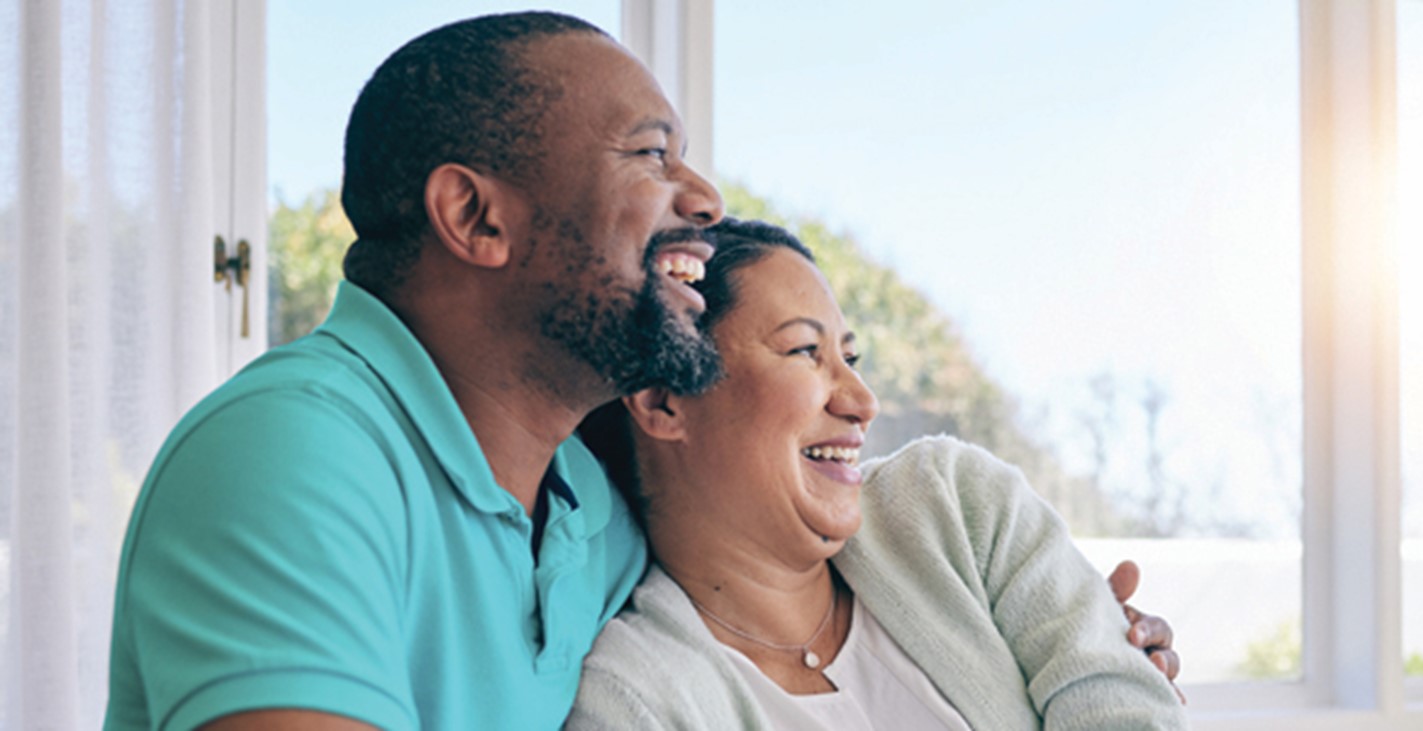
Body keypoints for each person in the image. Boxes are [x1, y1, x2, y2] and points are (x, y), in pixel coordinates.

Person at [106, 11, 1174, 731]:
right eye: (649, 153)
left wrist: (1091, 644)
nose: (703, 197)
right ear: (477, 216)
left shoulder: (588, 520)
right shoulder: (296, 450)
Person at [566, 219, 1188, 730]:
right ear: (662, 401)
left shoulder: (955, 506)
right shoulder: (636, 701)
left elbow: (1124, 708)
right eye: (805, 352)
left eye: (851, 356)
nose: (862, 400)